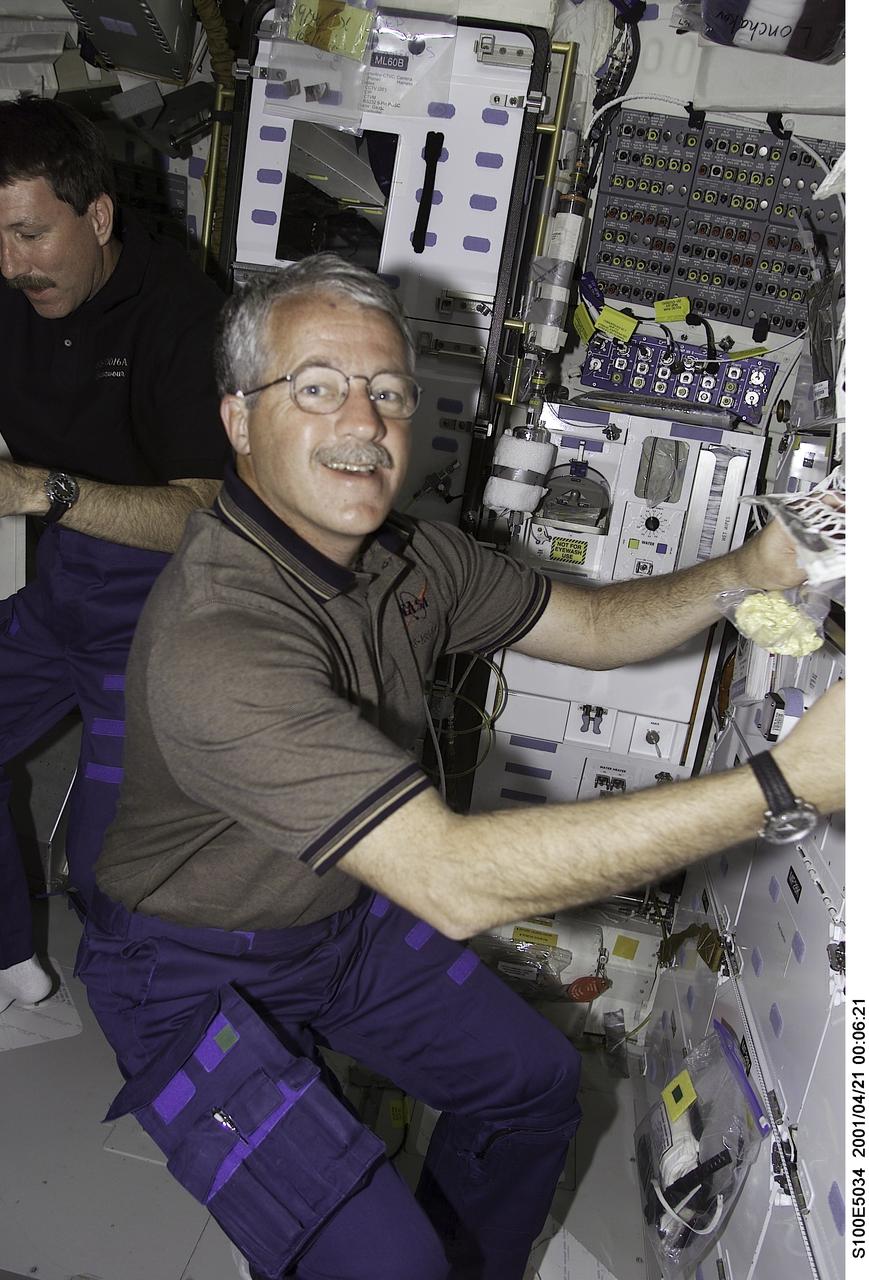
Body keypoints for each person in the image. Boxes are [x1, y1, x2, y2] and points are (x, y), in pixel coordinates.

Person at [76, 254, 845, 1280]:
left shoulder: (411, 561)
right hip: (185, 962)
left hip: (337, 918)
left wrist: (748, 570)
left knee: (532, 1083)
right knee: (379, 1257)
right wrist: (781, 782)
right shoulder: (217, 639)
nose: (364, 420)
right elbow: (450, 877)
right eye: (315, 387)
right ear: (237, 419)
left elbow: (594, 624)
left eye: (388, 392)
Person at [0, 97, 229, 1014]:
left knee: (110, 870)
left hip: (159, 615)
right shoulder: (12, 286)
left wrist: (36, 490)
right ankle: (9, 953)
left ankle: (177, 1049)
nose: (12, 265)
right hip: (61, 590)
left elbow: (203, 517)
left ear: (96, 217)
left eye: (29, 234)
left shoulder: (185, 317)